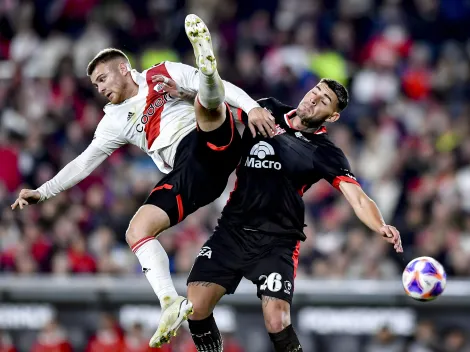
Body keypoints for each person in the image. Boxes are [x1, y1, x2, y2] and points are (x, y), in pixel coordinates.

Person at [10, 14, 275, 348]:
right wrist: (42, 192)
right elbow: (83, 163)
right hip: (193, 177)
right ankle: (170, 302)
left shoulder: (160, 73)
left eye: (103, 78)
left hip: (206, 142)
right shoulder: (113, 121)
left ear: (123, 68)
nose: (100, 88)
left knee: (207, 105)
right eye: (95, 85)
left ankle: (208, 71)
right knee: (136, 230)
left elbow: (229, 95)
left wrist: (251, 108)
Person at [164, 78, 402, 352]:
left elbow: (357, 196)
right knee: (195, 308)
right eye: (316, 91)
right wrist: (186, 93)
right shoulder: (266, 110)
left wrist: (380, 224)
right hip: (232, 230)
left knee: (277, 320)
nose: (313, 99)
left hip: (277, 241)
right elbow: (221, 106)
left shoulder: (324, 152)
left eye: (323, 101)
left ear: (333, 116)